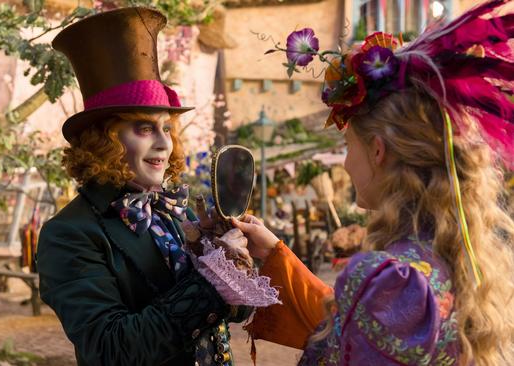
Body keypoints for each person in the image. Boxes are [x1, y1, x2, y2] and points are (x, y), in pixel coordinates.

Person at [230, 1, 514, 365]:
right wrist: (274, 254)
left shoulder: (391, 281)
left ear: (377, 151)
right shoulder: (453, 260)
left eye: (349, 146)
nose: (347, 165)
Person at [36, 7, 249, 365]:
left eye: (167, 128)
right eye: (144, 128)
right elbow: (112, 350)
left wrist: (220, 255)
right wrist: (210, 281)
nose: (165, 144)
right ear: (104, 139)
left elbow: (231, 315)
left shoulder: (171, 214)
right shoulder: (69, 234)